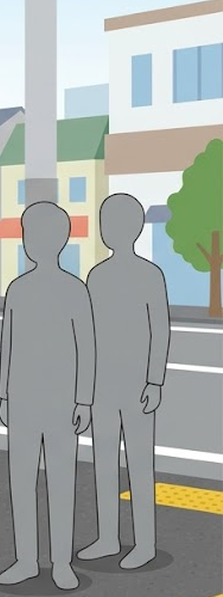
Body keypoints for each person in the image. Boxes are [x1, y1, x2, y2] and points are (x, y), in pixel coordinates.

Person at [0, 201, 95, 591]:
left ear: (60, 240)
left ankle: (61, 562)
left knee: (60, 480)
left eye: (40, 235)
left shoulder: (75, 290)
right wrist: (4, 394)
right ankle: (25, 559)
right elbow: (7, 343)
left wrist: (83, 399)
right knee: (20, 481)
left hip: (60, 402)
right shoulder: (17, 290)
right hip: (22, 398)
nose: (32, 242)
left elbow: (87, 347)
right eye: (28, 235)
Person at [78, 193, 170, 570]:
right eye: (105, 222)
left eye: (113, 223)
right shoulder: (96, 276)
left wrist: (154, 380)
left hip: (135, 384)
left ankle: (144, 543)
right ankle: (107, 537)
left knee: (139, 464)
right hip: (102, 383)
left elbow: (160, 329)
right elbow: (87, 333)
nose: (108, 230)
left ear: (133, 229)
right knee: (103, 461)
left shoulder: (150, 275)